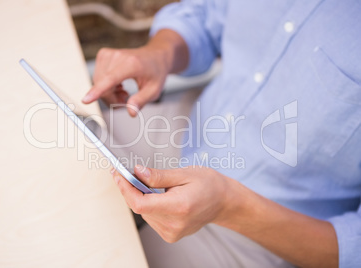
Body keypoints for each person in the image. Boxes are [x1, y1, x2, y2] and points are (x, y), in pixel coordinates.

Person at [82, 1, 361, 267]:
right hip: (186, 126)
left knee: (92, 254)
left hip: (253, 235)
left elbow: (354, 251)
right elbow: (206, 14)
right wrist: (161, 52)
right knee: (61, 168)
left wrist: (230, 206)